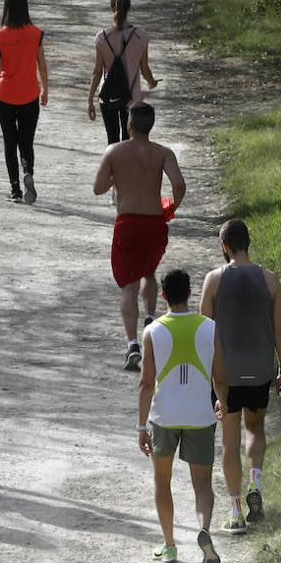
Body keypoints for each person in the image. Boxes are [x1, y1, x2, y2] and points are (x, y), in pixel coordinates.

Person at [199, 218, 281, 534]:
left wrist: (203, 377)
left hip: (225, 375)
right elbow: (280, 329)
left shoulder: (213, 281)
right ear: (248, 243)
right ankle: (255, 484)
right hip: (260, 370)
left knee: (229, 440)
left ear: (225, 246)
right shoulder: (270, 280)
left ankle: (236, 512)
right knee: (255, 427)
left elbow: (203, 332)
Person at [138, 269, 228, 563]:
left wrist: (141, 426)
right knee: (202, 484)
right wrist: (222, 405)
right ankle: (204, 529)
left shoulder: (152, 332)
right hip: (200, 416)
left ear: (163, 296)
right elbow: (220, 376)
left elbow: (146, 383)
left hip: (164, 417)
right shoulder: (210, 327)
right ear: (190, 293)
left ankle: (169, 545)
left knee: (162, 482)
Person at [92, 102, 187, 372]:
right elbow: (178, 184)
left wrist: (117, 176)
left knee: (128, 287)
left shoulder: (115, 151)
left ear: (129, 125)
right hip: (155, 222)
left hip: (128, 222)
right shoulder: (163, 153)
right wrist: (172, 207)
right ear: (151, 125)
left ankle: (133, 344)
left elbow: (98, 188)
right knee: (149, 272)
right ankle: (149, 319)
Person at [0, 0, 49, 204]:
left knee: (9, 143)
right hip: (29, 95)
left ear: (7, 9)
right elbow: (41, 63)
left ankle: (15, 190)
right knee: (26, 142)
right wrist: (45, 89)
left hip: (5, 96)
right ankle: (28, 172)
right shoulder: (36, 33)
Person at [86, 0, 159, 155]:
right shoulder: (141, 36)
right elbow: (144, 68)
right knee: (130, 142)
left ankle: (113, 176)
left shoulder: (102, 38)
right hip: (132, 98)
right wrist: (152, 82)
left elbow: (97, 72)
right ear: (129, 8)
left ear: (112, 8)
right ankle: (126, 176)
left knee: (112, 140)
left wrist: (90, 99)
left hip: (108, 95)